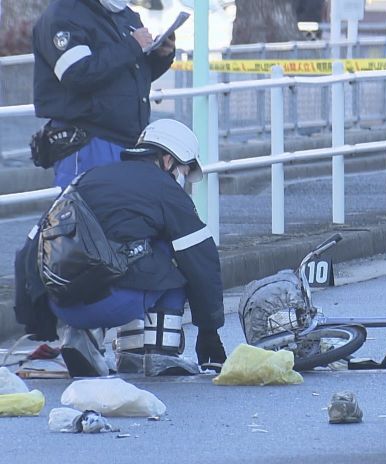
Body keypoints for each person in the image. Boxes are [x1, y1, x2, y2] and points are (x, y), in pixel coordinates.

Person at [15, 119, 227, 378]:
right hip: (115, 302)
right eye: (184, 169)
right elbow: (202, 261)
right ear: (168, 161)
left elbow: (30, 247)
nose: (183, 178)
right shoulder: (166, 190)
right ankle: (160, 353)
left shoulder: (86, 178)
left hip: (62, 305)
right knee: (173, 254)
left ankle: (84, 337)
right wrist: (209, 332)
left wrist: (38, 320)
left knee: (119, 248)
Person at [31, 0, 176, 189]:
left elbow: (132, 76)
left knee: (128, 214)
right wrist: (132, 46)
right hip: (88, 141)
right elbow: (77, 73)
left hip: (131, 141)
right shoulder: (63, 14)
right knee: (86, 212)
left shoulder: (124, 13)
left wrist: (161, 56)